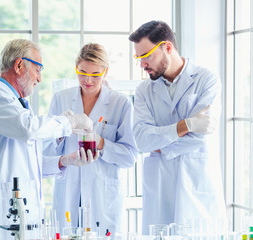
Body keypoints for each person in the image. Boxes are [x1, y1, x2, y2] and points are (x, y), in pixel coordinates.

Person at [0, 39, 95, 240]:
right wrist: (68, 122)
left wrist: (65, 160)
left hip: (22, 218)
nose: (39, 78)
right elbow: (28, 128)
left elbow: (27, 164)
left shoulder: (20, 106)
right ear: (19, 65)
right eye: (38, 69)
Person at [129, 20, 226, 234]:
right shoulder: (144, 90)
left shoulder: (206, 80)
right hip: (160, 188)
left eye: (146, 57)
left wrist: (160, 144)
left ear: (168, 47)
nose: (142, 65)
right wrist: (185, 125)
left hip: (197, 185)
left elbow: (201, 136)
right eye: (139, 58)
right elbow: (142, 141)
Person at [44, 43, 138, 237]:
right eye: (82, 72)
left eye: (95, 74)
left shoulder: (120, 103)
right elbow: (46, 152)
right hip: (68, 190)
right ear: (76, 67)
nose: (87, 79)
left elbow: (130, 156)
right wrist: (60, 133)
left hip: (103, 196)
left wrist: (101, 142)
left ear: (106, 72)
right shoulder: (61, 99)